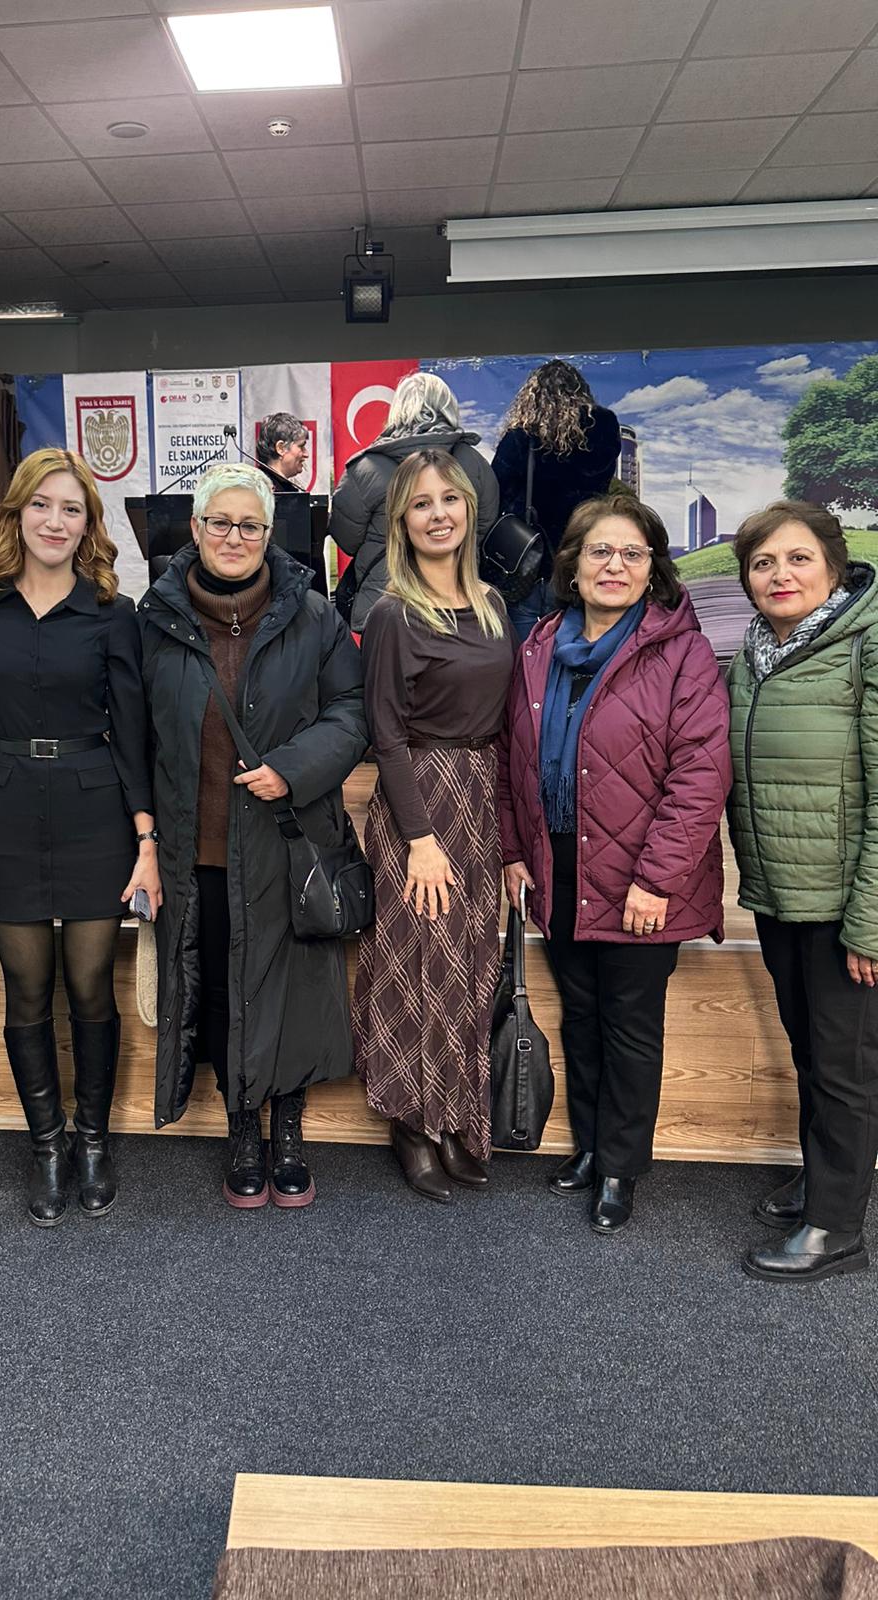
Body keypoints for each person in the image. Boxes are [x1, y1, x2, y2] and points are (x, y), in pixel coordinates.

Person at [139, 463, 368, 1207]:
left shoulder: (314, 616)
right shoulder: (157, 618)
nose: (233, 537)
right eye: (220, 522)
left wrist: (290, 770)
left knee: (295, 994)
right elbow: (139, 733)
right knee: (222, 993)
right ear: (195, 527)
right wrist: (146, 842)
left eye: (250, 525)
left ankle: (288, 1131)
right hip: (199, 849)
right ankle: (243, 1129)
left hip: (288, 840)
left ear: (269, 534)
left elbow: (351, 713)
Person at [501, 494, 730, 1234]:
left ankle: (620, 1168)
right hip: (561, 866)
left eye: (633, 553)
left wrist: (657, 880)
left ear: (652, 569)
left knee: (630, 1025)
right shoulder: (539, 645)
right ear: (573, 564)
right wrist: (513, 850)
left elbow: (700, 777)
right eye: (600, 551)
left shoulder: (683, 653)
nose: (615, 566)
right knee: (582, 1016)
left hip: (641, 877)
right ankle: (591, 1146)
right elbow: (511, 758)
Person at [0, 448, 159, 1227]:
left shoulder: (113, 612)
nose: (55, 520)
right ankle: (47, 1144)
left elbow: (133, 730)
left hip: (94, 807)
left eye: (71, 508)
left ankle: (93, 1140)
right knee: (27, 989)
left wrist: (146, 839)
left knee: (90, 985)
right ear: (16, 514)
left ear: (88, 525)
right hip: (6, 807)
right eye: (41, 505)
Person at [352, 449, 514, 1201]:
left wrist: (509, 838)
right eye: (421, 504)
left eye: (449, 499)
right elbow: (386, 735)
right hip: (419, 799)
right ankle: (411, 1125)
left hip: (479, 797)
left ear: (469, 510)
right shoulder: (392, 613)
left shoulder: (493, 604)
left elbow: (505, 726)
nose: (438, 513)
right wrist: (419, 840)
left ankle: (453, 1116)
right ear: (401, 521)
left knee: (469, 963)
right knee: (416, 960)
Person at [728, 501, 878, 1282]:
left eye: (797, 559)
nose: (779, 575)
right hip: (779, 893)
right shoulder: (754, 654)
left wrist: (870, 922)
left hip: (844, 904)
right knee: (813, 1053)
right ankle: (824, 1181)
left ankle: (836, 1229)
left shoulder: (864, 644)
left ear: (833, 566)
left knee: (846, 1068)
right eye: (762, 563)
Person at [329, 372, 499, 633]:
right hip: (458, 596)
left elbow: (346, 538)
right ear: (448, 407)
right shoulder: (474, 463)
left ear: (399, 408)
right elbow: (484, 527)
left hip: (386, 601)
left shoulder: (365, 468)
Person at [492, 360, 621, 642]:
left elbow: (497, 495)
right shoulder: (604, 431)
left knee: (527, 653)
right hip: (585, 559)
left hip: (531, 565)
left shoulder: (520, 438)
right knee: (579, 649)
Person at [255, 412, 309, 494]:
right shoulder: (257, 491)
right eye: (301, 446)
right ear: (281, 448)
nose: (306, 454)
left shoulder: (286, 489)